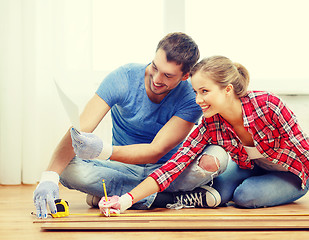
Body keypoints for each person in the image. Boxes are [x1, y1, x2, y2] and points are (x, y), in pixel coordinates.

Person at [33, 33, 229, 219]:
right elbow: (79, 132)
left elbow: (155, 151)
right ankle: (168, 200)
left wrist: (102, 150)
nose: (157, 79)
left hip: (167, 170)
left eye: (168, 76)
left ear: (185, 76)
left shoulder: (191, 95)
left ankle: (111, 194)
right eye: (154, 67)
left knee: (216, 159)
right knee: (68, 169)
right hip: (122, 168)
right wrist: (49, 177)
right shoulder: (123, 78)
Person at [99, 55, 309, 216]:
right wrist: (125, 201)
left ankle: (250, 190)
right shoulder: (210, 123)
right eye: (195, 92)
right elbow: (174, 166)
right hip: (250, 169)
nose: (198, 99)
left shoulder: (268, 105)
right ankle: (164, 200)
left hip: (292, 173)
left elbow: (303, 148)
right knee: (217, 192)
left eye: (204, 91)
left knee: (244, 196)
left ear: (227, 90)